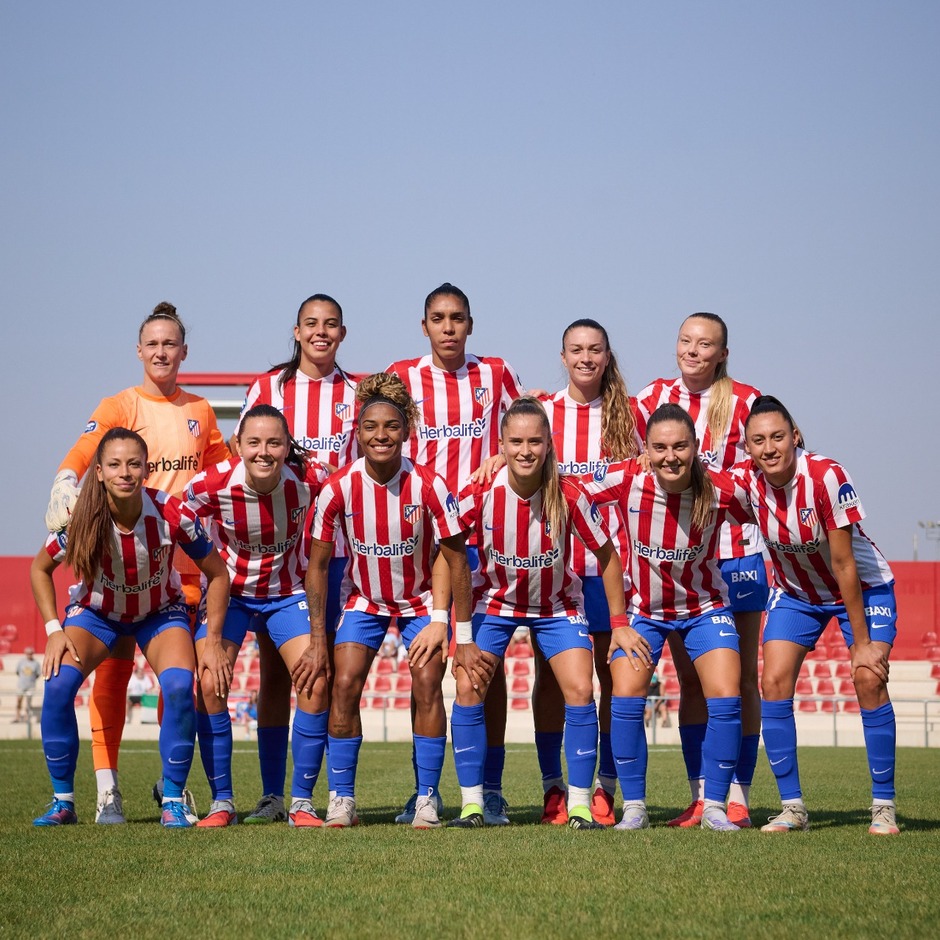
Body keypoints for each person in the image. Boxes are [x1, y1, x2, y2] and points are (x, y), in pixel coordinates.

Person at [43, 301, 229, 823]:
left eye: (171, 343)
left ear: (184, 351)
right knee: (112, 676)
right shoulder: (121, 405)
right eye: (153, 344)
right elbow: (87, 448)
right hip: (112, 564)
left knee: (179, 683)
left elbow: (221, 472)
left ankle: (172, 788)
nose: (162, 351)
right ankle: (107, 789)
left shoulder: (202, 411)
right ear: (140, 351)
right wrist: (64, 478)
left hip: (176, 565)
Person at [449, 397, 645, 830]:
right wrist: (453, 628)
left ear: (549, 443)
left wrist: (618, 624)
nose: (525, 450)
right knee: (467, 685)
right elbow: (448, 552)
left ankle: (576, 804)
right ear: (500, 444)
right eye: (516, 441)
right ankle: (472, 805)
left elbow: (608, 556)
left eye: (535, 441)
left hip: (557, 607)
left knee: (579, 689)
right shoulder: (479, 490)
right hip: (494, 604)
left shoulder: (568, 491)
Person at [294, 373, 473, 829]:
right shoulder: (337, 488)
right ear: (358, 432)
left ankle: (427, 799)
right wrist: (318, 638)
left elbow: (456, 560)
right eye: (371, 427)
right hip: (365, 601)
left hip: (418, 604)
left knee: (428, 683)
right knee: (344, 683)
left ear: (406, 432)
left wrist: (451, 626)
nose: (381, 435)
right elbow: (316, 565)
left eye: (391, 426)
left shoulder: (430, 485)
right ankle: (342, 799)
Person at [386, 282, 526, 825]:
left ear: (471, 324)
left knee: (482, 669)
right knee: (427, 670)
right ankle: (425, 792)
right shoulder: (402, 375)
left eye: (458, 318)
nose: (448, 327)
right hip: (421, 540)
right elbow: (373, 437)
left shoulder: (496, 373)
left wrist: (498, 455)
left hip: (484, 535)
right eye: (438, 318)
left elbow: (527, 430)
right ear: (424, 326)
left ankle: (489, 790)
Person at [583, 403, 752, 831]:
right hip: (644, 612)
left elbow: (769, 501)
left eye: (679, 446)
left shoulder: (719, 487)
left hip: (705, 608)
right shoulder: (628, 477)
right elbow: (570, 488)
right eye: (658, 448)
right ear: (646, 450)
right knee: (625, 694)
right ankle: (635, 807)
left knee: (726, 696)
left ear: (696, 448)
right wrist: (498, 464)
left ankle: (713, 806)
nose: (669, 456)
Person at [737, 396, 899, 835]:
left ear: (796, 436)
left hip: (862, 590)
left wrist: (861, 643)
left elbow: (845, 564)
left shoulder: (827, 476)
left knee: (867, 676)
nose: (769, 448)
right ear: (746, 447)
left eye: (777, 437)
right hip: (796, 595)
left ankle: (883, 807)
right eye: (758, 441)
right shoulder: (745, 482)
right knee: (772, 682)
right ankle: (793, 808)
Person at [233, 293, 362, 824]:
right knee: (275, 676)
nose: (320, 333)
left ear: (343, 332)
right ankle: (271, 794)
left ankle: (330, 795)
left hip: (338, 555)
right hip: (282, 556)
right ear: (296, 331)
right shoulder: (269, 387)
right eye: (311, 324)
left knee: (325, 672)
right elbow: (242, 451)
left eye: (330, 324)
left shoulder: (357, 392)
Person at [634, 312, 765, 827]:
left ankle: (739, 792)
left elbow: (774, 461)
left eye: (704, 343)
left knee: (742, 679)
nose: (692, 350)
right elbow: (621, 454)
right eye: (686, 341)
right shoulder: (651, 398)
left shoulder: (747, 400)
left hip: (739, 552)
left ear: (722, 353)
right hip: (682, 555)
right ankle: (700, 794)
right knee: (689, 678)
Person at [184, 404, 332, 827]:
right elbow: (176, 515)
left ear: (288, 447)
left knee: (315, 680)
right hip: (230, 597)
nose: (263, 452)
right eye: (253, 442)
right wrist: (201, 566)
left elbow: (347, 487)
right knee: (210, 681)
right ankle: (222, 803)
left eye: (273, 443)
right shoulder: (212, 485)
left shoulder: (310, 479)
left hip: (287, 595)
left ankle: (298, 803)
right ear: (237, 446)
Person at [531, 318, 640, 825]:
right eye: (576, 349)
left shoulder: (629, 415)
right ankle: (554, 786)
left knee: (611, 680)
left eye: (595, 349)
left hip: (608, 567)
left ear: (607, 355)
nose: (585, 358)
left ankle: (605, 788)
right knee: (551, 681)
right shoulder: (543, 412)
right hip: (551, 567)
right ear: (562, 356)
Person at [14, 647, 41, 722]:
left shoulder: (36, 663)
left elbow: (38, 674)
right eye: (28, 653)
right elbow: (17, 672)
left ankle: (26, 718)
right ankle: (17, 717)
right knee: (19, 700)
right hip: (21, 685)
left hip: (31, 686)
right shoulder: (21, 662)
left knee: (28, 703)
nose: (29, 655)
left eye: (30, 653)